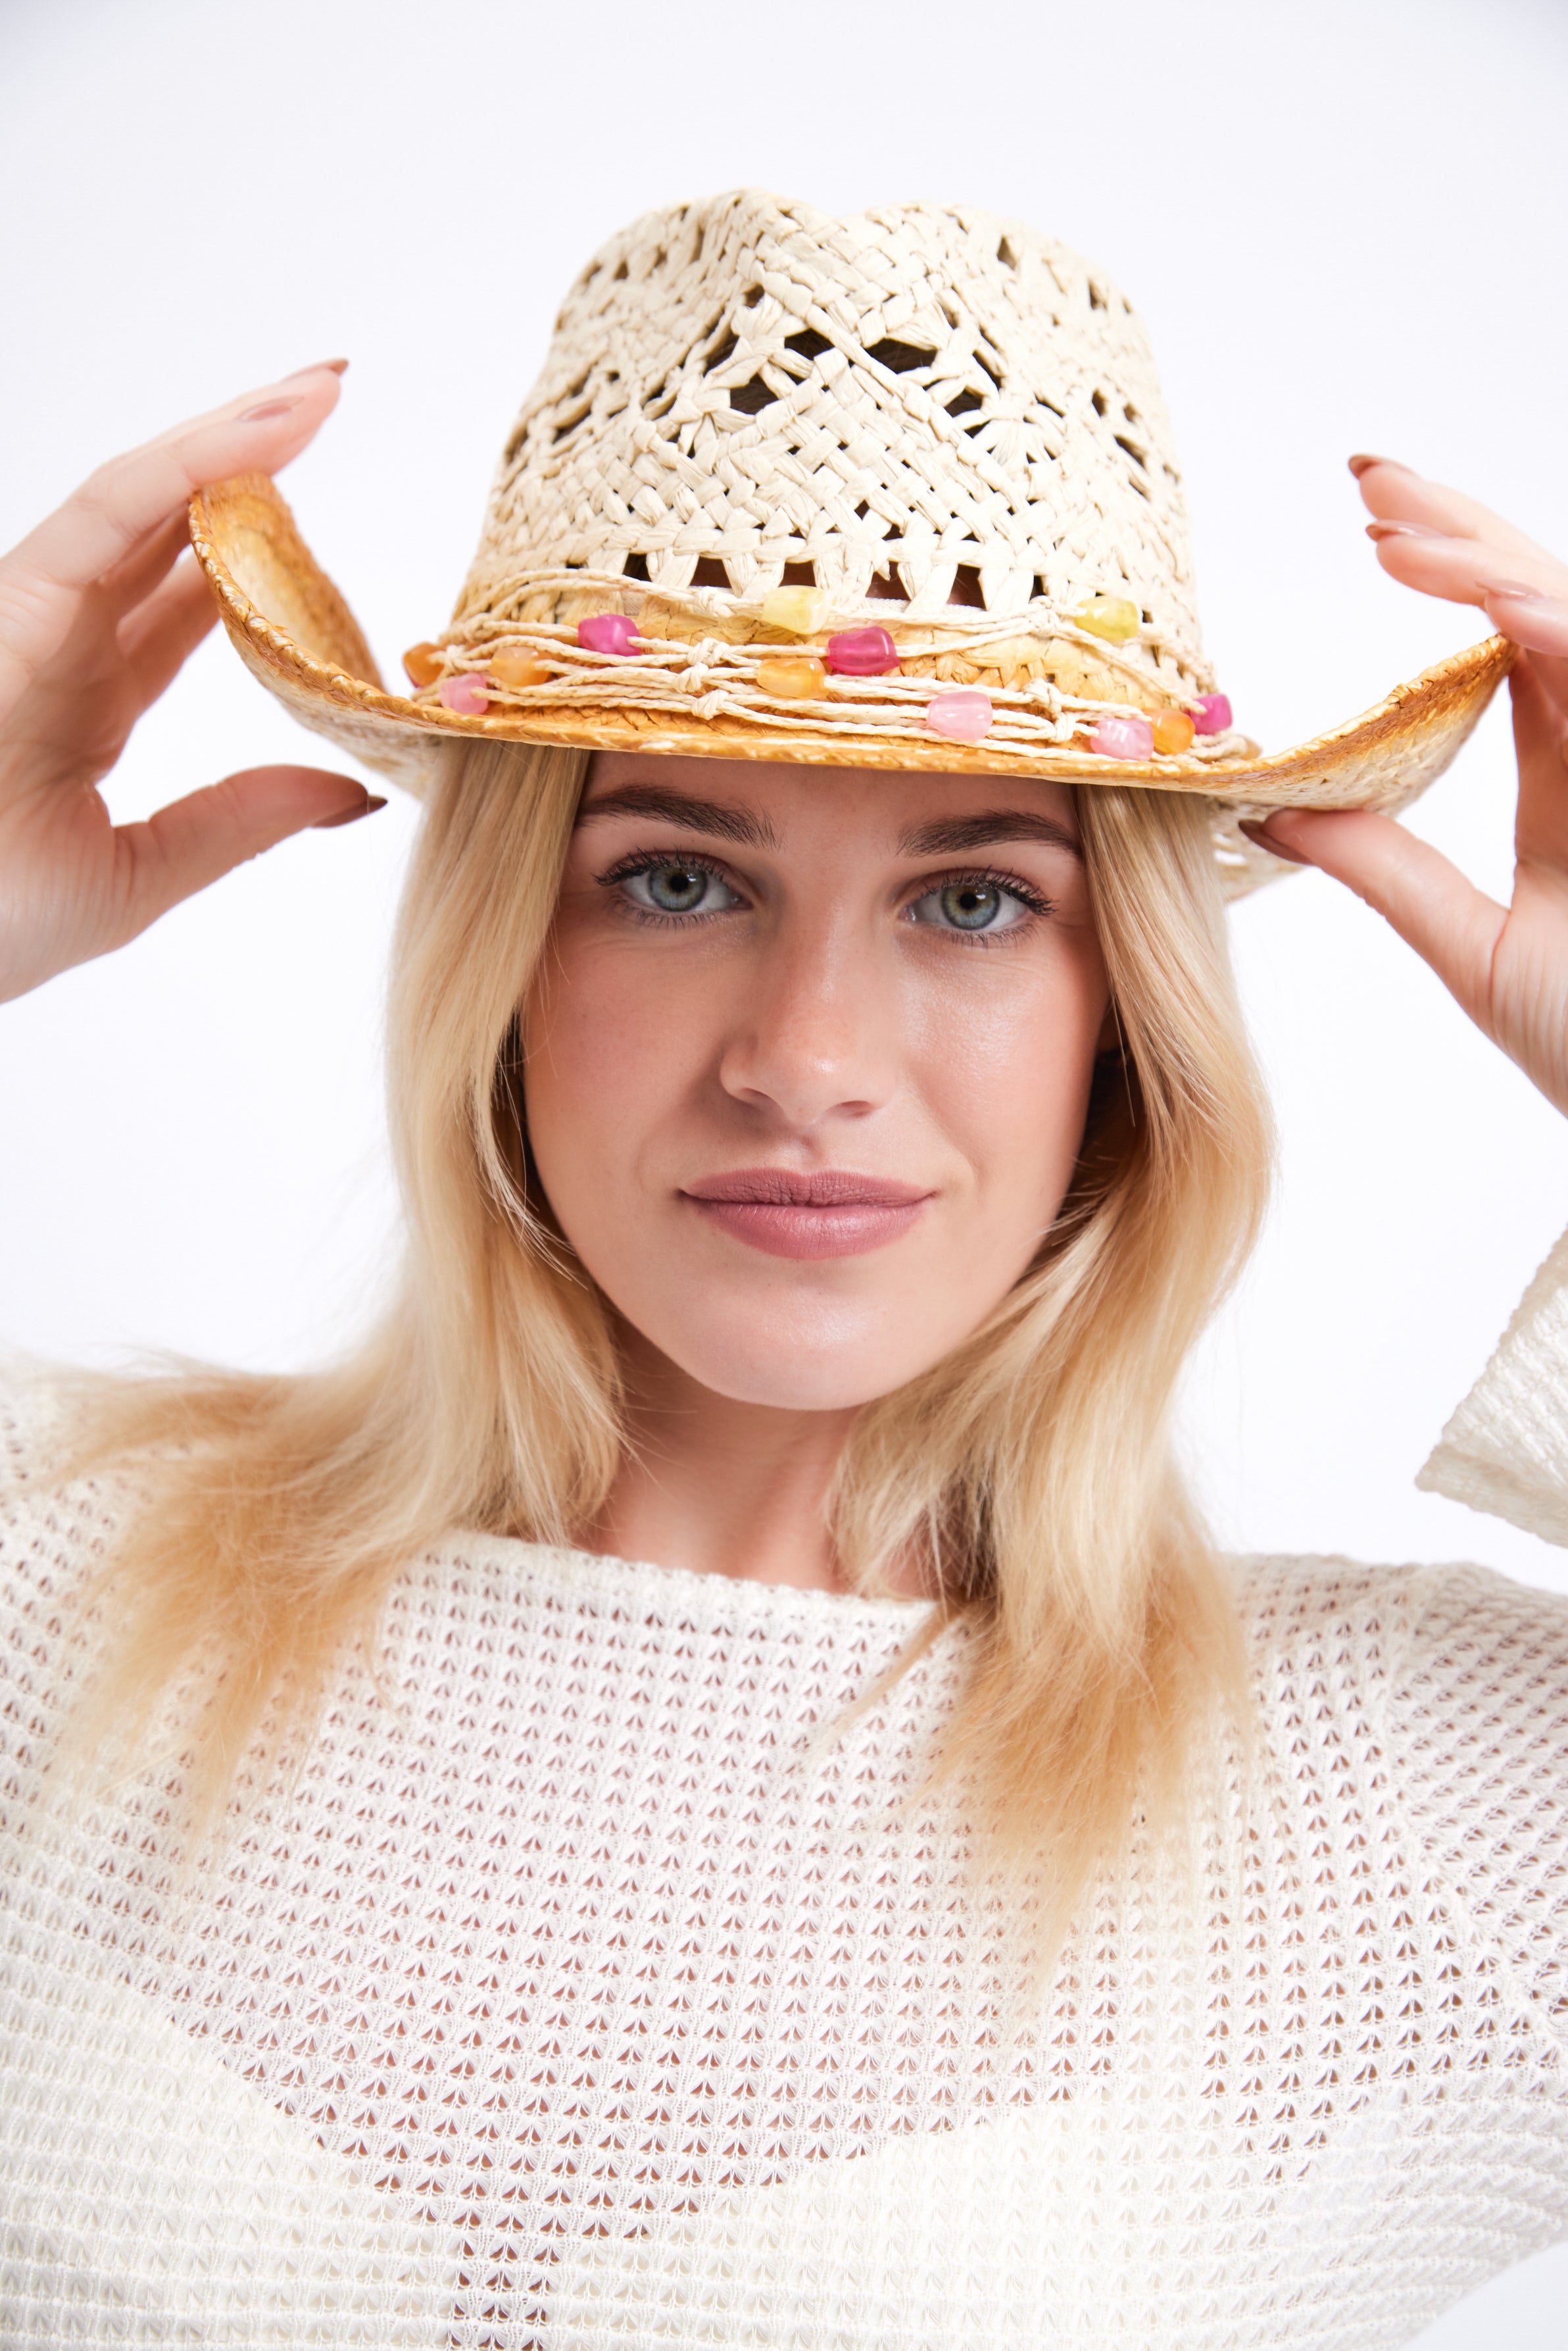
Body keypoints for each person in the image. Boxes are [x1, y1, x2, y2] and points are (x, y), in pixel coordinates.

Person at [1, 193, 1566, 2348]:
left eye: (976, 903)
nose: (805, 1061)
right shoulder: (48, 1573)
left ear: (1127, 1005)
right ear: (502, 957)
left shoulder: (1415, 1810)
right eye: (671, 876)